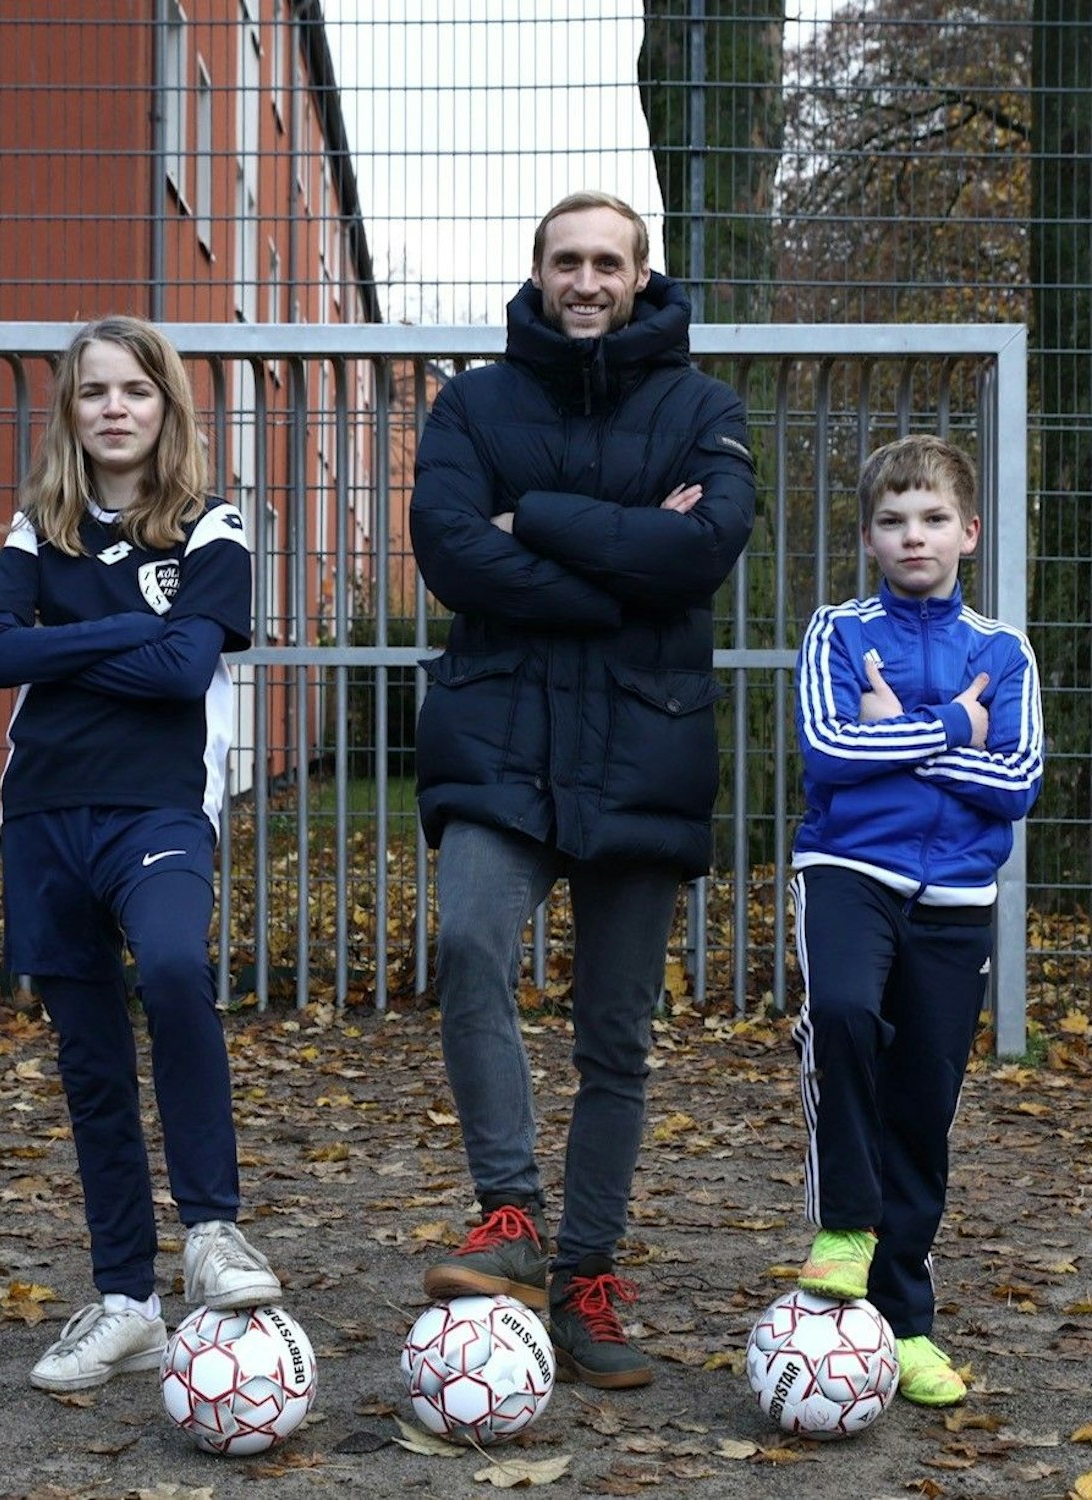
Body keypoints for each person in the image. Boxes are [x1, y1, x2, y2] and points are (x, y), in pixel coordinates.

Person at [408, 191, 756, 1389]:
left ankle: (587, 1278)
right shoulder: (471, 402)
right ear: (538, 272)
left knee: (617, 1037)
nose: (586, 280)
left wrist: (541, 521)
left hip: (642, 747)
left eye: (608, 261)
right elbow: (452, 550)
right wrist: (619, 573)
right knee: (466, 943)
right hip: (499, 736)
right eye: (567, 261)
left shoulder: (702, 407)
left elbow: (705, 548)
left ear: (640, 274)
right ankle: (508, 1213)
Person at [0, 314, 280, 1393]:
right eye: (93, 390)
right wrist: (115, 634)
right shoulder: (34, 528)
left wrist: (60, 646)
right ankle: (124, 1303)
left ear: (166, 407)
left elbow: (183, 664)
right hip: (45, 814)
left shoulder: (210, 524)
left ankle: (211, 1231)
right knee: (91, 1063)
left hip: (155, 810)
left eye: (134, 391)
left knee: (178, 968)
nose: (113, 408)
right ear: (71, 409)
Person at [788, 433, 1043, 1406]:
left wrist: (889, 734)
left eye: (932, 518)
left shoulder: (1001, 650)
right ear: (867, 536)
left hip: (956, 899)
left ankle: (904, 1321)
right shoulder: (837, 633)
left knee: (924, 1107)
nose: (912, 536)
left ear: (967, 532)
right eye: (892, 521)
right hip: (847, 871)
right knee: (845, 1016)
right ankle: (845, 1227)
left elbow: (1014, 782)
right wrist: (951, 729)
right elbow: (824, 751)